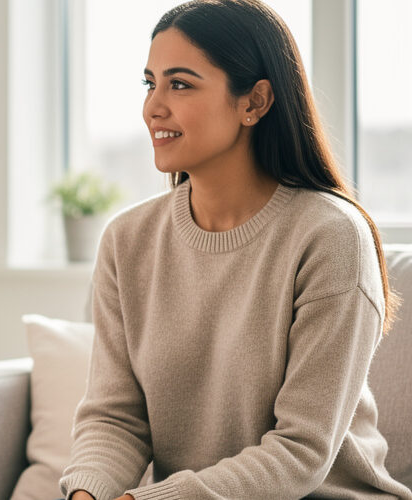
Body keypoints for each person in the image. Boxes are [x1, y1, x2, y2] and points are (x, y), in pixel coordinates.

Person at [60, 1, 412, 499]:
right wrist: (87, 495)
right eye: (149, 83)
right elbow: (115, 417)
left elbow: (300, 451)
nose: (153, 106)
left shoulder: (331, 236)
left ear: (255, 102)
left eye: (179, 84)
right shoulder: (127, 239)